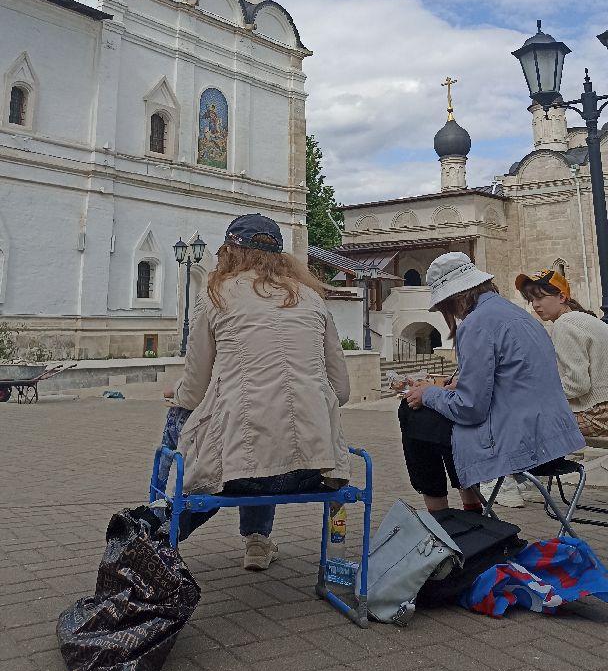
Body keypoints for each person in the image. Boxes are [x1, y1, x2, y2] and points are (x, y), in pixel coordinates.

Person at [171, 213, 351, 570]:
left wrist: (175, 394)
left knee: (187, 418)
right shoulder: (312, 299)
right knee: (272, 435)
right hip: (315, 470)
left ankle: (162, 521)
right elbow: (341, 390)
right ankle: (257, 539)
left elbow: (192, 391)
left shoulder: (215, 295)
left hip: (240, 476)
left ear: (230, 252)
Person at [397, 252, 584, 513]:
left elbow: (470, 408)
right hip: (553, 436)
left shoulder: (476, 324)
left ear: (456, 297)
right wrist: (444, 389)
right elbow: (509, 381)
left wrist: (427, 394)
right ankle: (471, 507)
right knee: (440, 420)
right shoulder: (515, 314)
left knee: (413, 412)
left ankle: (441, 517)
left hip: (522, 443)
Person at [516, 268, 608, 438]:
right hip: (601, 409)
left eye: (540, 297)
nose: (535, 305)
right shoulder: (582, 318)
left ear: (562, 297)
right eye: (531, 299)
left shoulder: (564, 324)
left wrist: (537, 392)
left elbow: (578, 384)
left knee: (526, 424)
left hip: (599, 415)